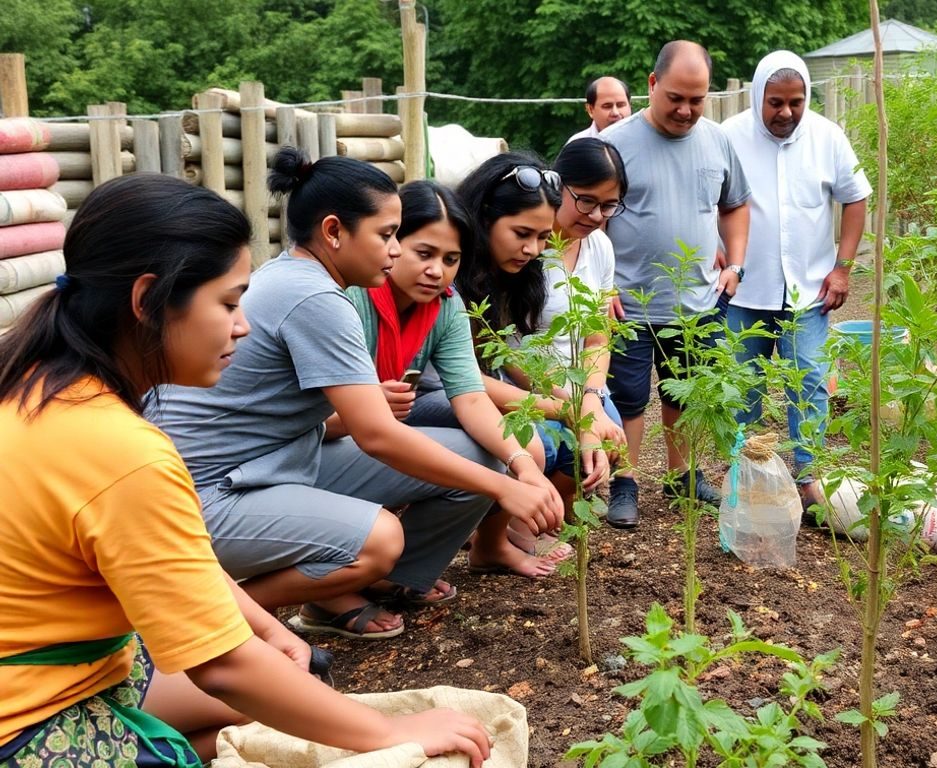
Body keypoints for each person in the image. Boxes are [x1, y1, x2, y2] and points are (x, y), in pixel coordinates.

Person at [0, 174, 492, 765]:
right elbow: (224, 667)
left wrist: (267, 629)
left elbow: (183, 564)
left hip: (67, 662)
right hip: (27, 717)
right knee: (281, 708)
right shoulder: (123, 450)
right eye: (228, 303)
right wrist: (388, 731)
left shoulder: (37, 383)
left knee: (277, 703)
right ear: (147, 301)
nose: (243, 326)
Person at [151, 149, 562, 640]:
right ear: (334, 232)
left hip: (281, 459)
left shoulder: (309, 280)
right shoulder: (319, 297)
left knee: (480, 459)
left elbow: (464, 400)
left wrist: (517, 468)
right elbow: (377, 435)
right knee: (379, 538)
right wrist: (507, 489)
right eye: (388, 236)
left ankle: (377, 580)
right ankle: (224, 613)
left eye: (448, 258)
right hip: (209, 494)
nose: (395, 251)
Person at [341, 180, 570, 578]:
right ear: (393, 243)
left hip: (394, 417)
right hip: (331, 433)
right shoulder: (353, 297)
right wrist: (371, 401)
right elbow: (335, 415)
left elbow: (472, 397)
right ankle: (341, 583)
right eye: (424, 253)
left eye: (451, 259)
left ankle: (398, 576)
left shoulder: (445, 305)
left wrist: (524, 466)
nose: (436, 271)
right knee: (488, 462)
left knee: (507, 446)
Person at [601, 39, 751, 528]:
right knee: (626, 397)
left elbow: (735, 204)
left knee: (683, 393)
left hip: (699, 300)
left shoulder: (718, 140)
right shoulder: (613, 145)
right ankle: (624, 482)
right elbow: (579, 221)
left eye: (697, 99)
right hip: (628, 301)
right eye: (675, 98)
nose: (686, 110)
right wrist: (602, 286)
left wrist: (736, 266)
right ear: (651, 85)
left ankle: (682, 476)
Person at [721, 51, 871, 513]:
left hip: (807, 294)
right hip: (743, 293)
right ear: (757, 96)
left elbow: (856, 198)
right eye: (776, 102)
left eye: (796, 102)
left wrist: (842, 267)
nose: (786, 112)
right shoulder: (728, 137)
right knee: (740, 389)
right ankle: (744, 478)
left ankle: (809, 480)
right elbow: (708, 199)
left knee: (809, 385)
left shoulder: (827, 137)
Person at [451, 150, 627, 521]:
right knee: (535, 445)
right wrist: (570, 409)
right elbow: (492, 362)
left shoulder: (536, 261)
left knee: (608, 431)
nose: (596, 216)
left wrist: (588, 401)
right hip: (491, 387)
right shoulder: (487, 268)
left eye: (609, 206)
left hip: (567, 385)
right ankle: (501, 527)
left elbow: (598, 338)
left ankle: (541, 517)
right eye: (586, 201)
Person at [567, 76, 632, 143]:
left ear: (630, 105)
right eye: (607, 106)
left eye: (620, 105)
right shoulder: (578, 145)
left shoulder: (642, 139)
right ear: (590, 110)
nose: (615, 113)